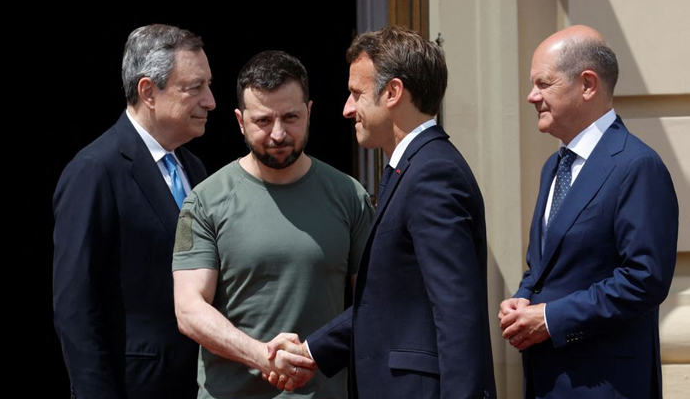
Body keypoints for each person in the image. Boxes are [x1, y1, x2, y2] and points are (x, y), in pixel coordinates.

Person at [268, 25, 497, 399]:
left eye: (356, 94)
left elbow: (458, 316)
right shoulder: (411, 170)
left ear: (392, 93)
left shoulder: (432, 174)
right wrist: (312, 351)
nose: (347, 108)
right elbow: (388, 299)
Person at [171, 50, 374, 399]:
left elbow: (374, 301)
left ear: (309, 113)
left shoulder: (349, 196)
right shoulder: (202, 202)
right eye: (263, 121)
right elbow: (188, 310)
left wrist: (315, 354)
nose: (278, 134)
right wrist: (265, 357)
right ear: (240, 121)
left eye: (291, 117)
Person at [499, 25, 679, 399]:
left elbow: (644, 280)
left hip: (605, 385)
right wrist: (524, 297)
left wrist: (550, 319)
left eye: (543, 83)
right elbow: (545, 265)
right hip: (548, 380)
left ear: (587, 84)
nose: (531, 96)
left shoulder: (636, 165)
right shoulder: (554, 166)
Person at [52, 24, 215, 399]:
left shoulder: (194, 168)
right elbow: (75, 307)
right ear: (148, 91)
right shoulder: (95, 170)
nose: (210, 101)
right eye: (195, 87)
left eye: (208, 85)